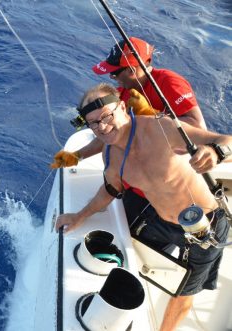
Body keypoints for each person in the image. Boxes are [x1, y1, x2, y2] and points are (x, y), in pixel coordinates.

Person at [54, 83, 231, 331]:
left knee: (183, 293)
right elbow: (109, 190)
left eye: (106, 116)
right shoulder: (112, 157)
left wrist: (216, 152)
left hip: (204, 225)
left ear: (123, 108)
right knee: (129, 258)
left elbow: (226, 140)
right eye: (93, 123)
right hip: (161, 221)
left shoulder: (163, 128)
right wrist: (79, 216)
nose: (102, 127)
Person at [51, 37, 207, 223]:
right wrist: (77, 156)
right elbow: (110, 135)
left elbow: (198, 128)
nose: (112, 78)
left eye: (115, 74)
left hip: (170, 184)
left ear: (132, 70)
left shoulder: (170, 82)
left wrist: (150, 114)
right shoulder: (123, 94)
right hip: (137, 184)